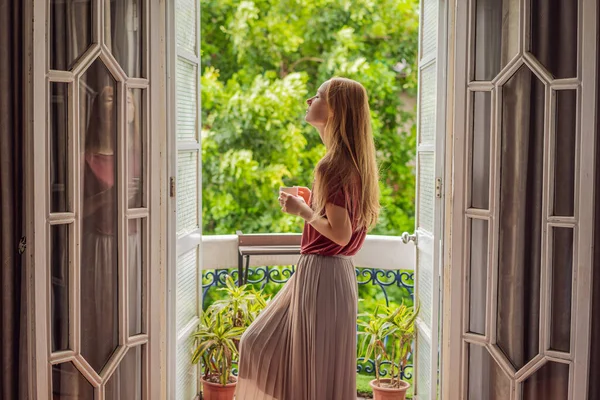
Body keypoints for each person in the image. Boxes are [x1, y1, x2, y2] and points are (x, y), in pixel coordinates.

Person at [237, 77, 380, 400]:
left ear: (334, 111)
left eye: (316, 96)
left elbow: (340, 235)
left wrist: (303, 211)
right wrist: (312, 203)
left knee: (287, 356)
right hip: (329, 275)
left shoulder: (331, 166)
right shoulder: (350, 163)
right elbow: (339, 223)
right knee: (277, 351)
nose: (308, 101)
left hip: (323, 275)